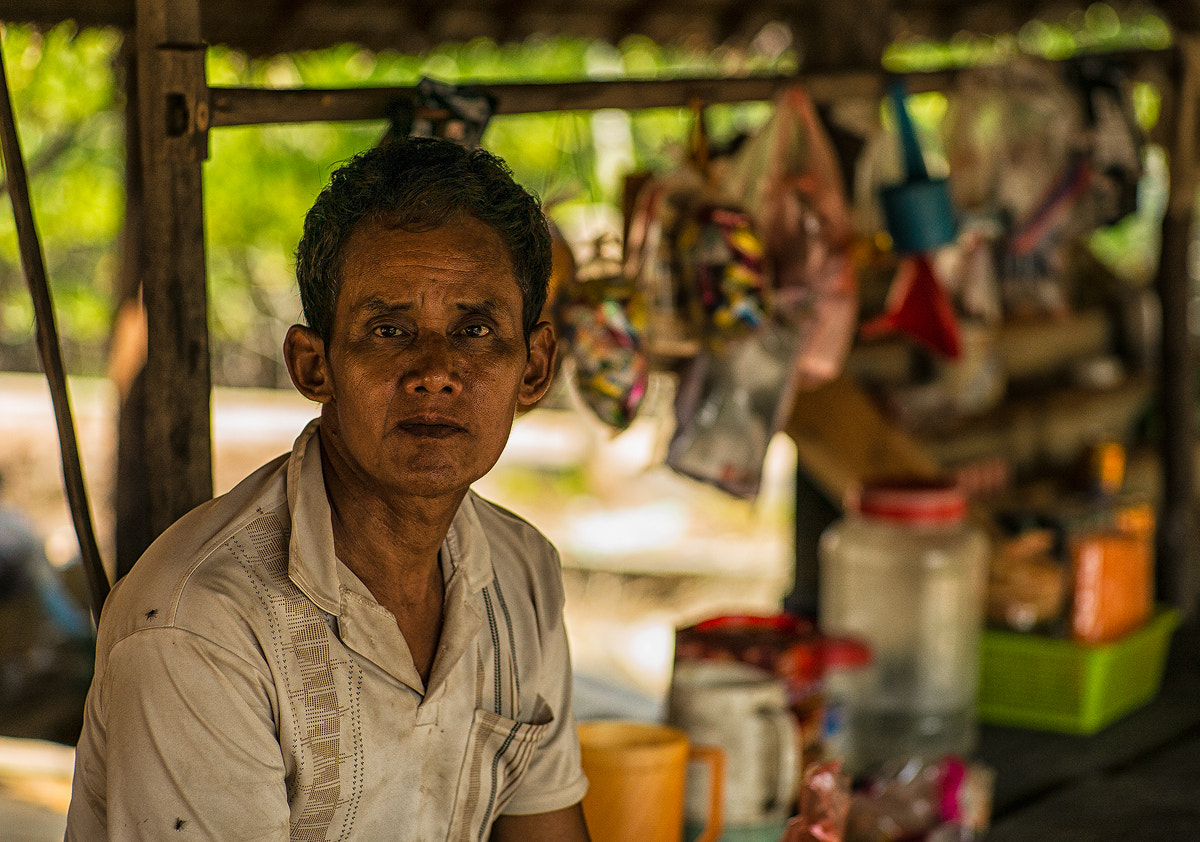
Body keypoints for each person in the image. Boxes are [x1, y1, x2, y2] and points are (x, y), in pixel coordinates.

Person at [66, 136, 591, 841]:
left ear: (534, 368)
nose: (435, 371)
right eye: (389, 329)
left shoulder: (523, 574)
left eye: (475, 329)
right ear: (314, 366)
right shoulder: (201, 628)